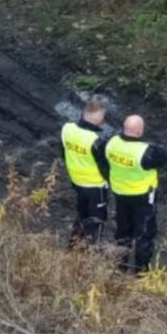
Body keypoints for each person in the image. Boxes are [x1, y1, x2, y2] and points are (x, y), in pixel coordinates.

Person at [106, 114, 167, 274]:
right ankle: (141, 271)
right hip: (143, 196)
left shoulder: (111, 143)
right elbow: (163, 158)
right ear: (140, 131)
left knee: (122, 231)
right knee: (144, 234)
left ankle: (120, 266)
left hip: (120, 193)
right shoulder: (145, 152)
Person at [61, 96, 111, 247]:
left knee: (81, 215)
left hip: (77, 182)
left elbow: (63, 153)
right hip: (95, 186)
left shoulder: (67, 129)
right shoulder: (96, 141)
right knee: (96, 221)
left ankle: (73, 247)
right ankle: (89, 253)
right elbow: (105, 168)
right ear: (101, 115)